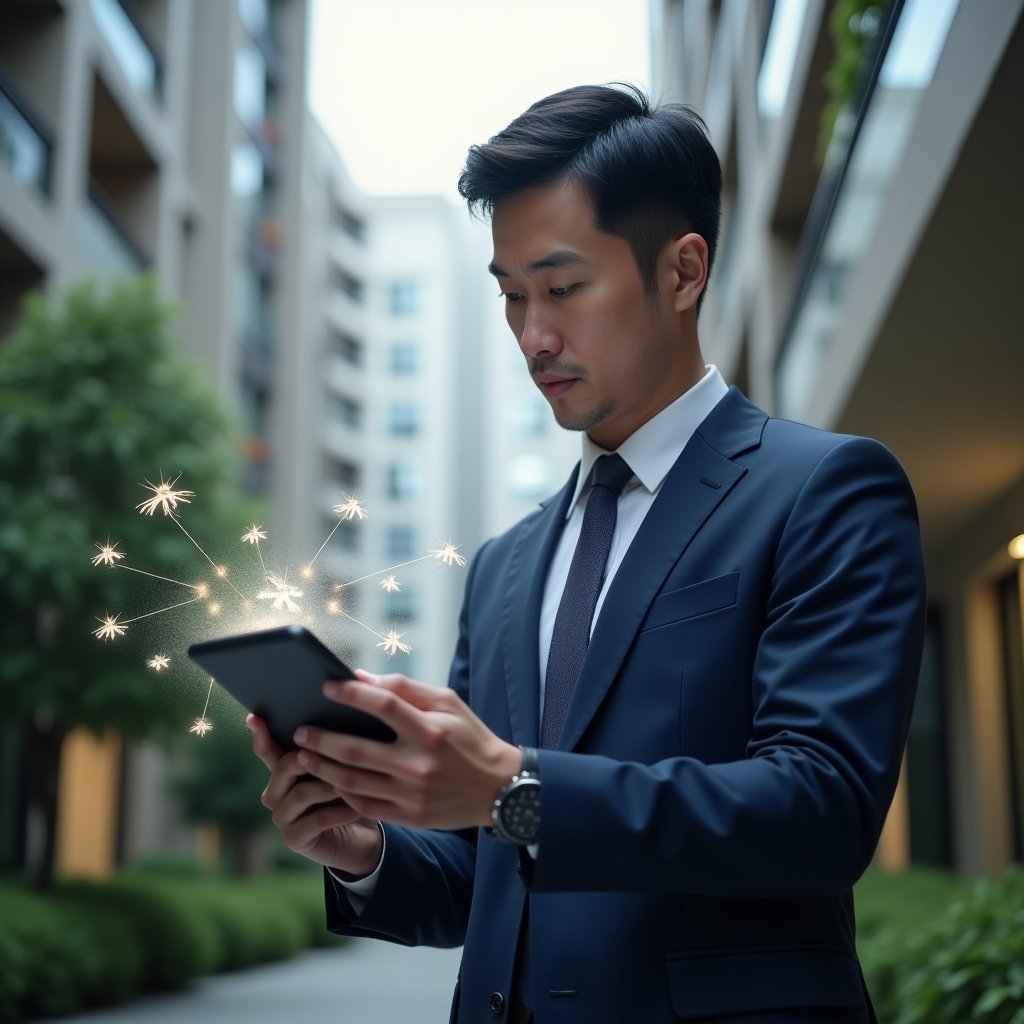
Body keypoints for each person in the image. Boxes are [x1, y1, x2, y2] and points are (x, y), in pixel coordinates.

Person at [249, 83, 926, 1024]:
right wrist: (362, 847)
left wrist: (515, 790)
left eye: (563, 288)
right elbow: (483, 870)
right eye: (512, 296)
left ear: (683, 271)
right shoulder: (503, 565)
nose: (535, 337)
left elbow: (821, 809)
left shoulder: (825, 488)